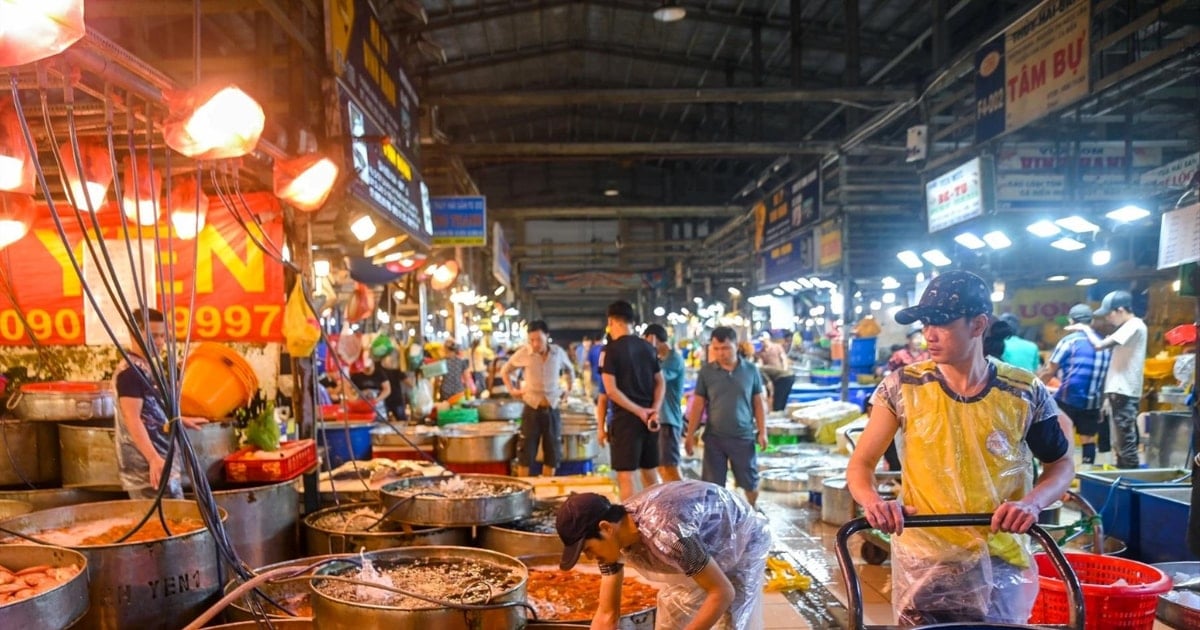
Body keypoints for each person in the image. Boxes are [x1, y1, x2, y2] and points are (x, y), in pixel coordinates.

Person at [845, 270, 1074, 626]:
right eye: (925, 325)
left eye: (942, 324)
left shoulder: (1023, 392)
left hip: (1001, 558)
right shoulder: (903, 387)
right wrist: (873, 502)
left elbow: (1060, 464)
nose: (929, 336)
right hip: (925, 559)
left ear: (978, 324)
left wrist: (1032, 503)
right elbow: (861, 465)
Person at [555, 480, 771, 630]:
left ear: (605, 528)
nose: (591, 558)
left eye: (588, 550)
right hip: (699, 549)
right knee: (672, 616)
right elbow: (607, 615)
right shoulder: (613, 542)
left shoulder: (670, 536)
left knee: (731, 622)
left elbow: (722, 591)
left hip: (742, 539)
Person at [113, 308, 209, 499]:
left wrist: (177, 420)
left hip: (160, 459)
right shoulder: (131, 372)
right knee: (162, 523)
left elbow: (151, 413)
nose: (159, 342)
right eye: (153, 336)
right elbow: (132, 418)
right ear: (134, 333)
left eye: (163, 336)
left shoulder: (145, 366)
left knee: (175, 519)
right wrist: (153, 458)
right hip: (148, 467)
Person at [685, 327, 768, 508]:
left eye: (726, 348)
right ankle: (717, 519)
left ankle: (753, 509)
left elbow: (758, 403)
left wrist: (763, 431)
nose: (721, 353)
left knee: (749, 482)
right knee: (713, 486)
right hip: (714, 437)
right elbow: (698, 405)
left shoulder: (751, 370)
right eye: (716, 349)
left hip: (743, 436)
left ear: (736, 346)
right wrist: (690, 434)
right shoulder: (706, 372)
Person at [1066, 290, 1147, 469]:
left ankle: (1130, 485)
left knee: (1125, 445)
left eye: (1109, 314)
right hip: (1119, 392)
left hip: (1124, 392)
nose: (1108, 319)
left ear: (1120, 310)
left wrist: (1085, 328)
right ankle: (1123, 481)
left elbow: (1099, 346)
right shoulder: (1128, 327)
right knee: (1120, 444)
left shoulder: (1134, 324)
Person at [601, 301, 665, 500]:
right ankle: (660, 518)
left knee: (626, 475)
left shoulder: (609, 350)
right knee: (650, 471)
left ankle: (630, 524)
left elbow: (611, 391)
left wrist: (638, 411)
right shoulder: (648, 348)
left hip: (624, 421)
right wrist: (653, 409)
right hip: (650, 420)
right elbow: (661, 382)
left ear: (611, 321)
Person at [1038, 304, 1112, 465]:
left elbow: (1050, 370)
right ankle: (1086, 474)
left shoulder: (1069, 341)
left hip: (1068, 399)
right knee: (1088, 438)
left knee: (1059, 434)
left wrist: (1036, 386)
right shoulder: (1104, 344)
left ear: (1071, 321)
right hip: (1092, 401)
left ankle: (1057, 474)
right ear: (1091, 322)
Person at [502, 320, 575, 477]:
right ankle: (525, 491)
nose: (535, 344)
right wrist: (512, 390)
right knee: (525, 451)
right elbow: (505, 370)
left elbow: (570, 370)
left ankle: (547, 488)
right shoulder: (524, 353)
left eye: (538, 340)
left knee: (552, 451)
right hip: (531, 408)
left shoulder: (557, 352)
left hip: (552, 407)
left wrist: (569, 389)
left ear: (547, 336)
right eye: (531, 340)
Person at [644, 324, 687, 482]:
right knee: (660, 466)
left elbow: (657, 379)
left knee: (669, 466)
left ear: (654, 338)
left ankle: (683, 503)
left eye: (647, 341)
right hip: (660, 419)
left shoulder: (673, 359)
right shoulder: (661, 359)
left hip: (668, 420)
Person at [757, 332, 793, 411]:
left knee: (778, 402)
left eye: (763, 341)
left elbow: (783, 358)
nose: (762, 343)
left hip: (781, 376)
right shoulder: (761, 352)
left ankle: (778, 414)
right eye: (761, 342)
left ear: (768, 339)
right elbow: (761, 365)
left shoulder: (777, 347)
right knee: (777, 401)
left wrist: (784, 369)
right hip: (773, 376)